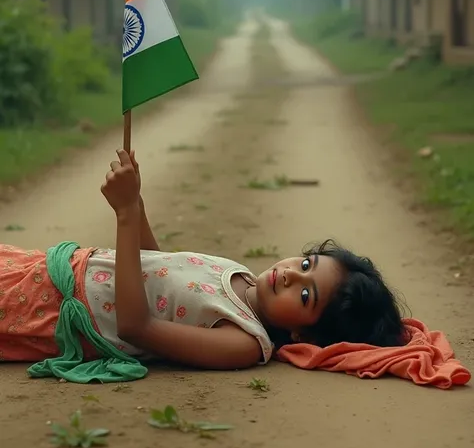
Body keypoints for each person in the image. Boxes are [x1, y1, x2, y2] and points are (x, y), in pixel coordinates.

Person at [0, 150, 407, 370]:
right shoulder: (239, 275)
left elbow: (136, 325)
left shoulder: (244, 343)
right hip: (53, 267)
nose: (287, 277)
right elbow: (157, 265)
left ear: (303, 337)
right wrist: (136, 204)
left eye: (305, 296)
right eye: (305, 266)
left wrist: (124, 217)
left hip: (53, 312)